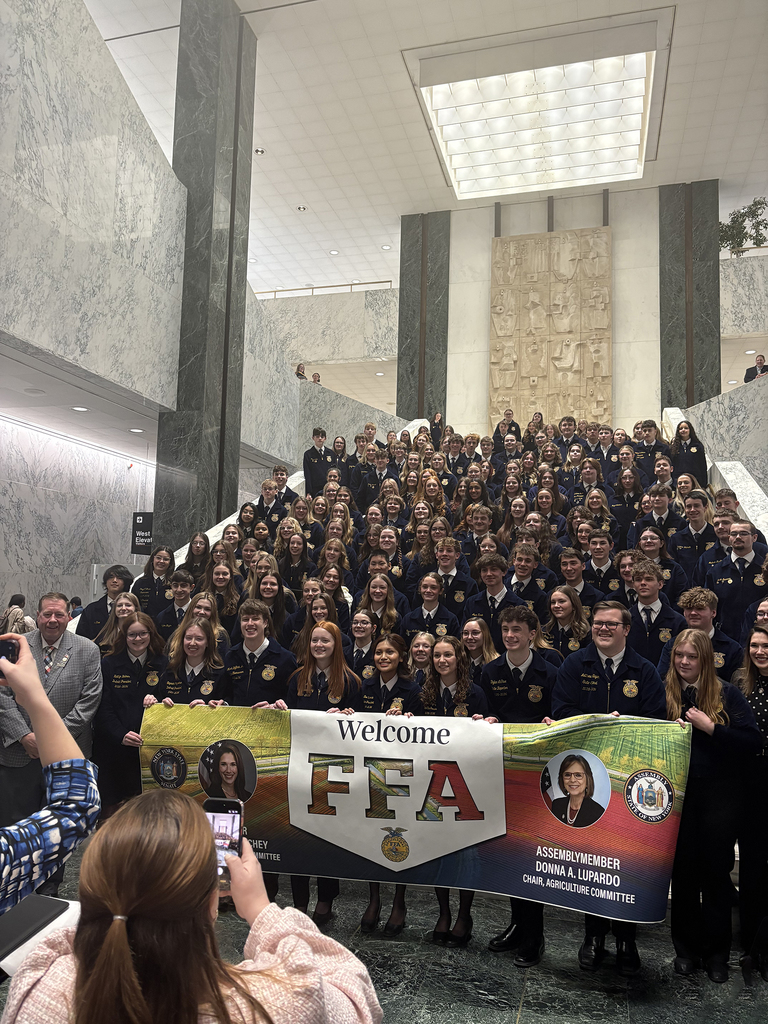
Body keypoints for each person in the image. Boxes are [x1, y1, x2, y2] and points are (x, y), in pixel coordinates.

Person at [1, 788, 382, 1024]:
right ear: (209, 904)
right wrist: (262, 909)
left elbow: (72, 944)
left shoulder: (41, 986)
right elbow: (353, 994)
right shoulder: (281, 1002)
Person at [552, 601, 666, 976]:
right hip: (587, 780)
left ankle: (626, 939)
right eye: (598, 623)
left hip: (631, 781)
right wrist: (600, 722)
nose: (603, 629)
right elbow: (562, 709)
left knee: (626, 860)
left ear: (626, 629)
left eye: (611, 624)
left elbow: (657, 722)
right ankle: (594, 936)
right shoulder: (574, 664)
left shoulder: (644, 670)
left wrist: (624, 728)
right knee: (593, 862)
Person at [665, 629, 761, 982]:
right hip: (680, 796)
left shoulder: (727, 694)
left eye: (691, 656)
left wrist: (711, 729)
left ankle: (717, 955)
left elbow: (751, 741)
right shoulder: (668, 695)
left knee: (716, 874)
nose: (684, 662)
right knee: (685, 874)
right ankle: (685, 951)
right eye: (679, 656)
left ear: (705, 659)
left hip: (721, 795)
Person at [0, 593, 102, 897]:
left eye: (59, 614)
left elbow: (89, 701)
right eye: (47, 614)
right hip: (17, 753)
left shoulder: (87, 649)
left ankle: (48, 890)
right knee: (16, 823)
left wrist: (48, 739)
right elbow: (2, 697)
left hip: (63, 757)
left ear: (69, 616)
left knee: (58, 828)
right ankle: (13, 887)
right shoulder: (17, 646)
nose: (53, 620)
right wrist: (24, 736)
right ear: (37, 614)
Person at [358, 634, 421, 937]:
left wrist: (411, 719)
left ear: (401, 657)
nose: (383, 657)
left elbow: (425, 730)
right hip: (369, 771)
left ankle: (399, 901)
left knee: (400, 835)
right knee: (372, 833)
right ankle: (373, 899)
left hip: (401, 773)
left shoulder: (413, 689)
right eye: (379, 652)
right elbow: (352, 719)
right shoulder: (365, 685)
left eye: (390, 652)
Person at [94, 612, 167, 812]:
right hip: (113, 747)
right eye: (132, 635)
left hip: (147, 748)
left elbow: (169, 700)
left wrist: (158, 701)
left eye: (143, 633)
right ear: (124, 636)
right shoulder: (108, 664)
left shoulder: (163, 663)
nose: (138, 639)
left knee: (145, 809)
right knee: (112, 810)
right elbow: (103, 707)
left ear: (151, 634)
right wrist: (121, 734)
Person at [735, 625, 768, 973]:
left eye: (766, 646)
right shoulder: (741, 682)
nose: (759, 652)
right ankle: (749, 941)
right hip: (746, 782)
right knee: (753, 863)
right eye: (754, 646)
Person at [219, 600, 297, 707]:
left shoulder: (285, 658)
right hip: (237, 721)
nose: (250, 623)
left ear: (265, 623)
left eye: (255, 619)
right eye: (245, 619)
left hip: (270, 720)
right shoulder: (231, 656)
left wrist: (276, 705)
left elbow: (292, 697)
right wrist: (224, 703)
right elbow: (227, 694)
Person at [657, 587, 744, 683]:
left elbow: (736, 686)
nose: (693, 613)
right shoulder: (672, 645)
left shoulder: (732, 649)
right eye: (689, 608)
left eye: (700, 608)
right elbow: (662, 679)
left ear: (713, 612)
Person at [76, 565, 134, 641]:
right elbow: (80, 639)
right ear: (105, 582)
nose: (114, 580)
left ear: (125, 582)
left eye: (119, 578)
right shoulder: (91, 610)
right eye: (111, 577)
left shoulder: (134, 608)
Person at [550, 754, 605, 828]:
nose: (572, 780)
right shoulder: (556, 805)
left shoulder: (598, 812)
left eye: (578, 775)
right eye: (567, 775)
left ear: (588, 779)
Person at [130, 546, 176, 619]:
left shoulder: (175, 583)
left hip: (169, 625)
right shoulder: (140, 583)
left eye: (166, 559)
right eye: (158, 558)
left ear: (170, 563)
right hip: (145, 625)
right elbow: (134, 605)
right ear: (152, 559)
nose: (161, 561)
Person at [669, 420, 708, 485]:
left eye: (686, 428)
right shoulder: (673, 447)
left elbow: (702, 465)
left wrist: (704, 483)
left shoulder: (698, 446)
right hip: (678, 481)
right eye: (681, 429)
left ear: (690, 430)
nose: (683, 430)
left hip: (695, 481)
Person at [303, 427, 334, 498]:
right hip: (315, 489)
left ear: (325, 438)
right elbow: (307, 474)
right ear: (313, 438)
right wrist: (308, 492)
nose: (320, 438)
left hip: (329, 488)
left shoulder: (331, 453)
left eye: (322, 436)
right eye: (317, 436)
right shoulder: (308, 454)